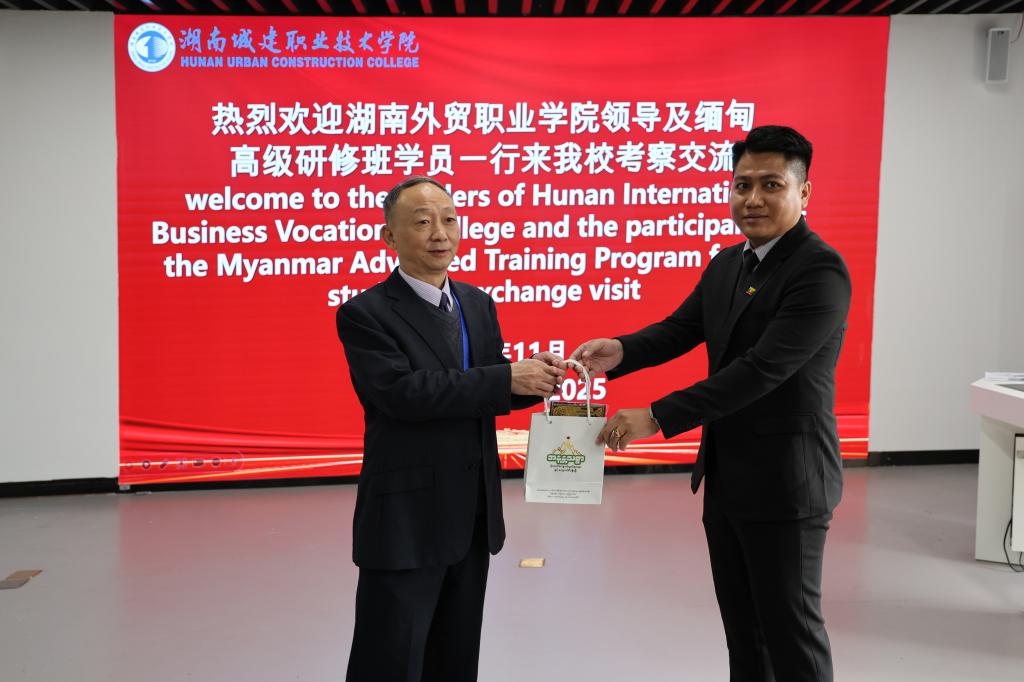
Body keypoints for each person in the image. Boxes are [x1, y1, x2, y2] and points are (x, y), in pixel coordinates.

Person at [571, 125, 851, 682]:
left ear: (804, 192)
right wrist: (620, 351)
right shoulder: (730, 263)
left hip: (787, 484)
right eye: (742, 185)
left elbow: (761, 370)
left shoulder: (819, 270)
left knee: (790, 635)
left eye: (771, 185)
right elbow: (681, 329)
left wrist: (657, 416)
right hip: (728, 478)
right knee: (744, 634)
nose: (753, 199)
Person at [336, 177, 565, 682]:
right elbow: (402, 393)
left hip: (472, 514)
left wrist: (539, 377)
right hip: (406, 518)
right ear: (390, 237)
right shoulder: (365, 313)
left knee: (455, 659)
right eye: (422, 222)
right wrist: (506, 377)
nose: (440, 233)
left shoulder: (476, 303)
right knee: (390, 659)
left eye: (449, 219)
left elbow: (484, 385)